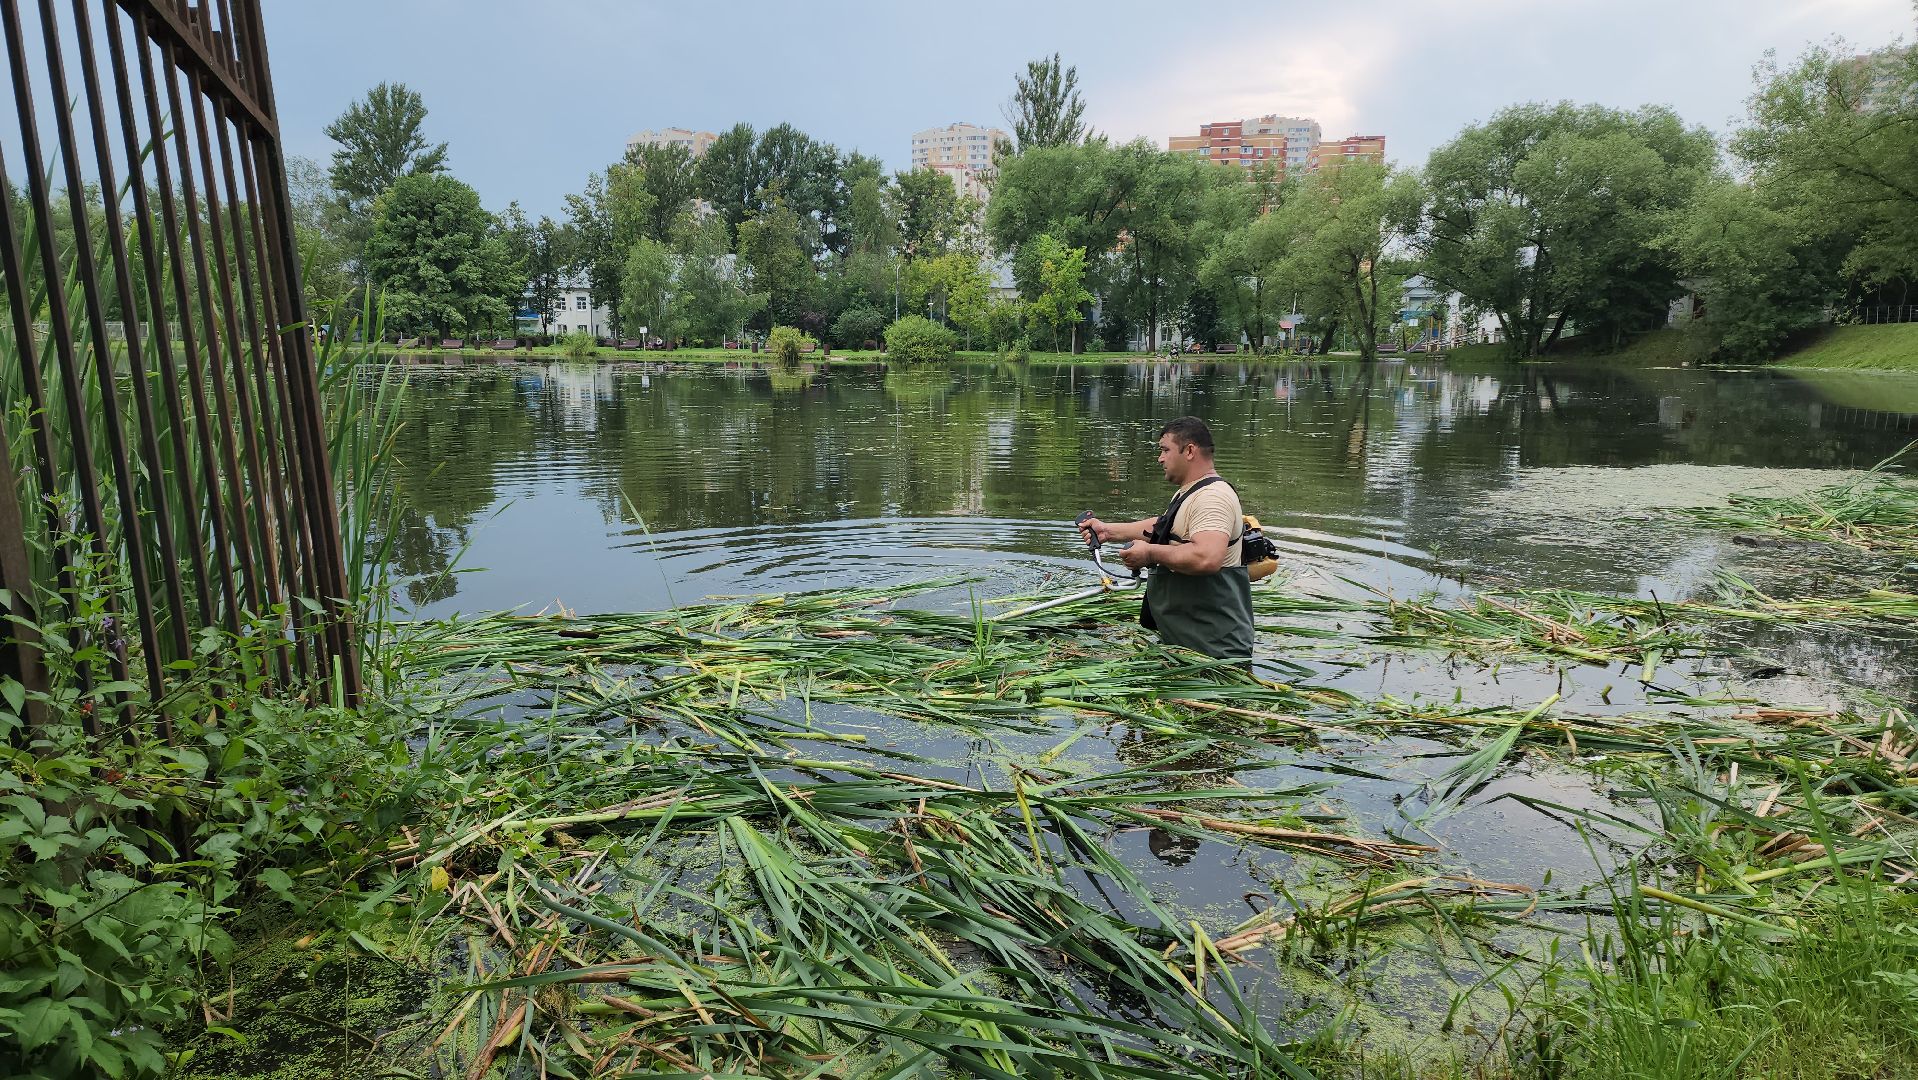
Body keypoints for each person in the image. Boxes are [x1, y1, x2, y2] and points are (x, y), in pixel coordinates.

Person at [1078, 417, 1254, 662]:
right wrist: (1109, 531)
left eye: (1165, 450)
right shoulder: (1193, 490)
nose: (1160, 458)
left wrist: (1149, 554)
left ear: (1189, 450)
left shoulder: (1213, 498)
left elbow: (1207, 558)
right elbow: (1164, 526)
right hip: (1186, 643)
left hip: (1213, 652)